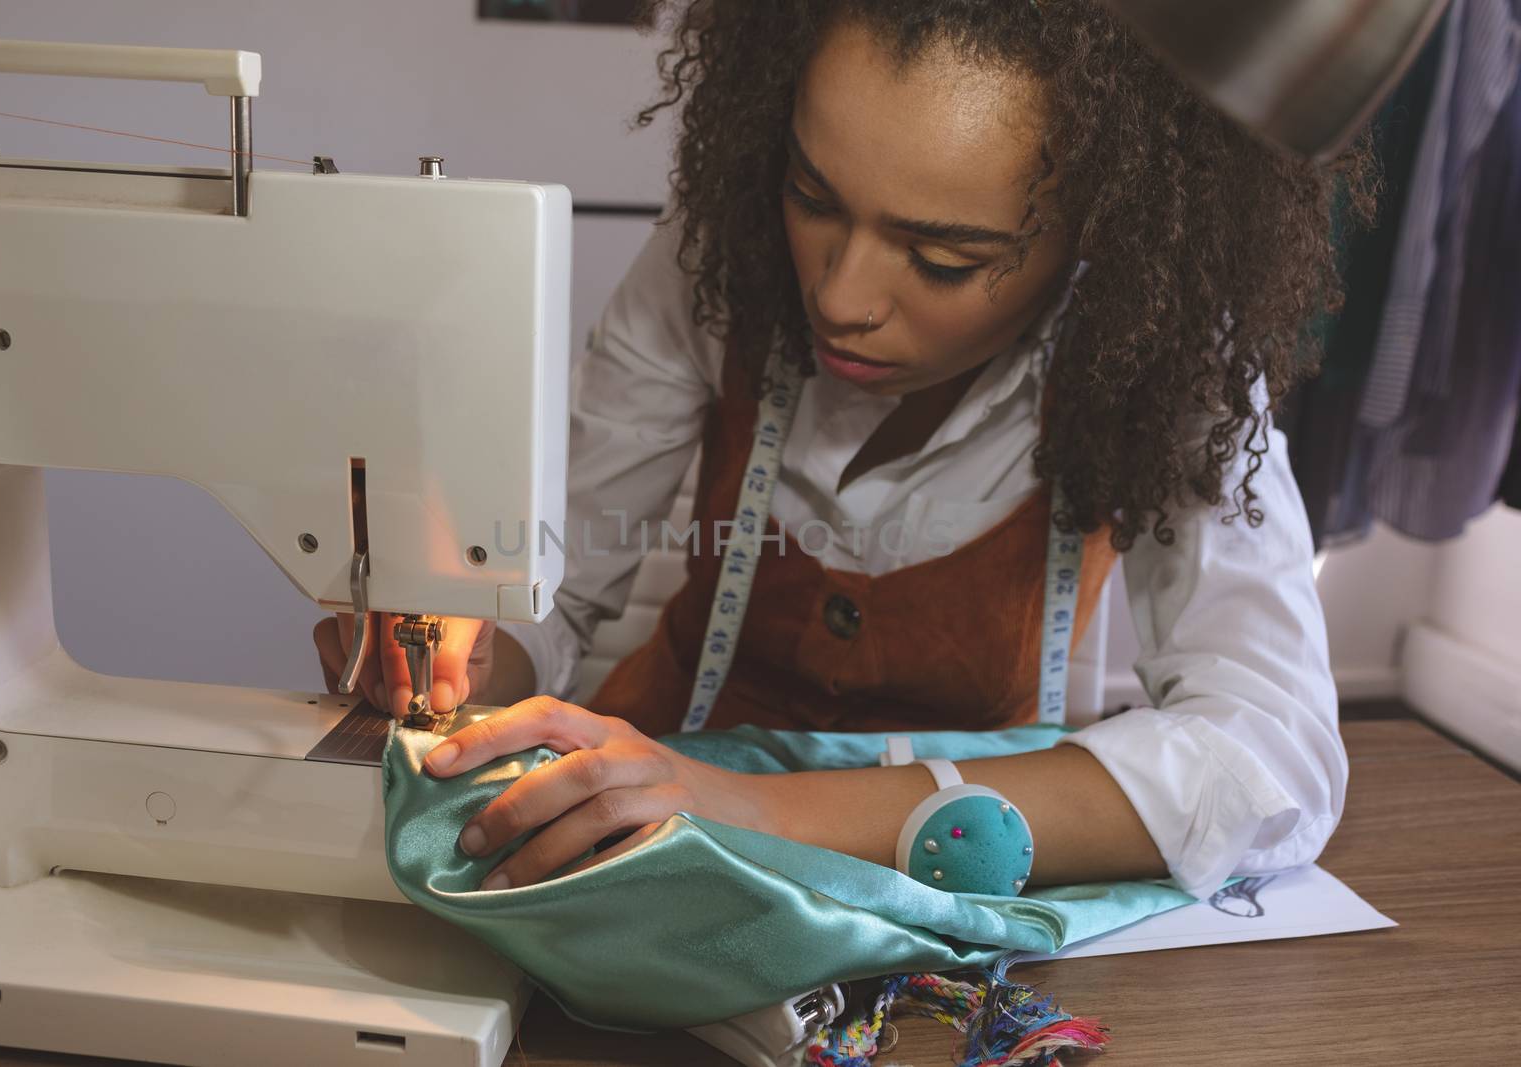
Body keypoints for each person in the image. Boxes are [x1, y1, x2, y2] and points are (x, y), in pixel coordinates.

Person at [317, 0, 1370, 900]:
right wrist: (457, 645)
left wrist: (755, 807)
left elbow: (1271, 753)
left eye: (944, 257)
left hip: (928, 851)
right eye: (812, 198)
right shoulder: (712, 269)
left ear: (1105, 227)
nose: (840, 296)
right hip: (649, 804)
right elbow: (547, 577)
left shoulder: (1162, 349)